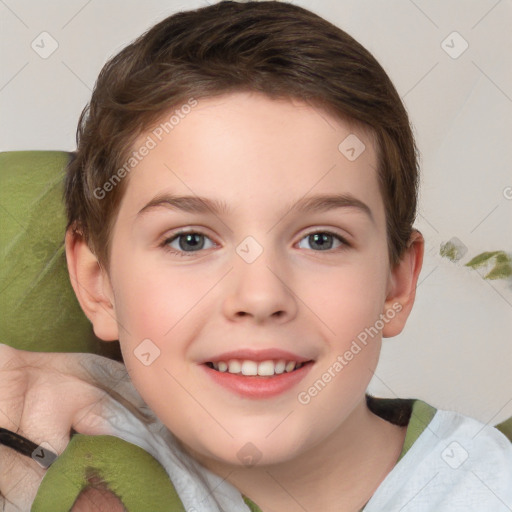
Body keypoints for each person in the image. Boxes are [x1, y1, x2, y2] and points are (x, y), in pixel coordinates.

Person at [1, 1, 511, 511]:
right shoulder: (56, 447)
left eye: (321, 239)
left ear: (396, 285)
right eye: (190, 240)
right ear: (98, 283)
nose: (261, 296)